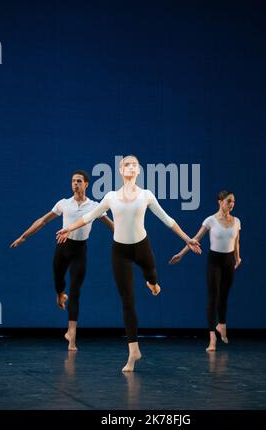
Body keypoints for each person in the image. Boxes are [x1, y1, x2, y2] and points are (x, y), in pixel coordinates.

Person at [56, 155, 201, 372]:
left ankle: (152, 283)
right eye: (126, 164)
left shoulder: (146, 195)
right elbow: (89, 217)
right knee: (127, 300)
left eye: (134, 164)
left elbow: (167, 219)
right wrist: (69, 228)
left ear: (139, 171)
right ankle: (134, 350)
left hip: (142, 248)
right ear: (121, 170)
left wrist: (187, 238)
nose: (130, 167)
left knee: (152, 277)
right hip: (120, 252)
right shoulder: (111, 196)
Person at [10, 170, 114, 351]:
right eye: (73, 181)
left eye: (79, 181)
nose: (75, 184)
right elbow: (43, 221)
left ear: (86, 184)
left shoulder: (94, 206)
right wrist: (23, 237)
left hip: (80, 250)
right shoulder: (63, 204)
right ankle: (59, 294)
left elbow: (113, 226)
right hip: (62, 249)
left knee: (75, 290)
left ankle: (71, 334)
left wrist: (130, 237)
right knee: (59, 281)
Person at [169, 190, 241, 352]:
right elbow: (195, 240)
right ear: (220, 202)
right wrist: (181, 254)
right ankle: (212, 338)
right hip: (214, 261)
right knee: (213, 297)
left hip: (229, 262)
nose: (231, 204)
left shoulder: (236, 221)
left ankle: (221, 325)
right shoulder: (210, 220)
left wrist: (238, 257)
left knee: (224, 296)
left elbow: (236, 241)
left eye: (233, 201)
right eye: (229, 201)